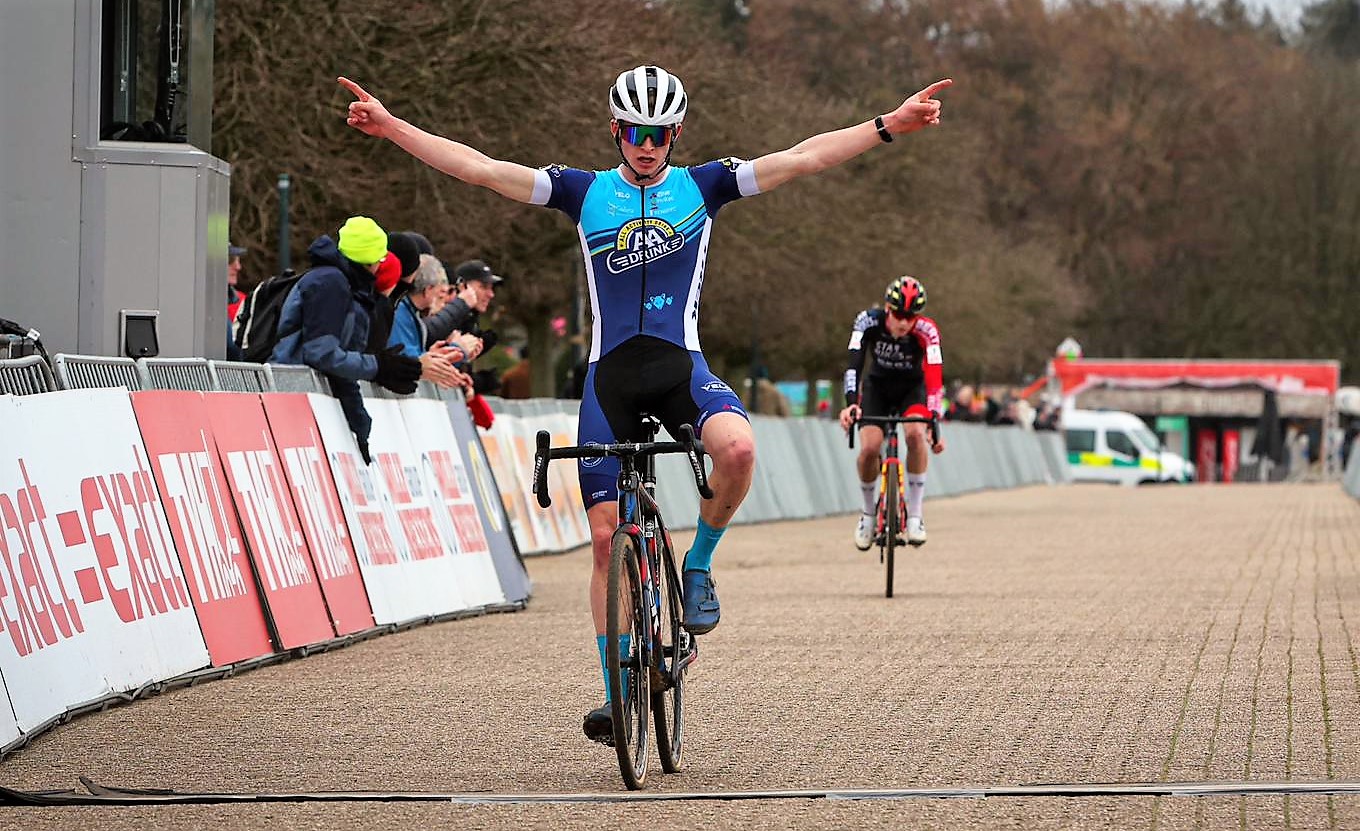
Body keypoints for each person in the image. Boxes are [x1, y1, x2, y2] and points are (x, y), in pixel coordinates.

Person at [339, 65, 950, 743]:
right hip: (609, 380)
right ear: (615, 130)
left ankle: (697, 565)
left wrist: (888, 124)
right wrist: (392, 126)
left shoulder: (704, 185)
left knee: (740, 449)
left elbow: (803, 158)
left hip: (678, 368)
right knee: (606, 538)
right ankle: (614, 693)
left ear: (676, 133)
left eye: (659, 133)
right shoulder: (583, 191)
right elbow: (482, 169)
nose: (647, 143)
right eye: (634, 131)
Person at [269, 215, 425, 463]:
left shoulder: (348, 285)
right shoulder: (331, 284)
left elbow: (339, 358)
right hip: (291, 396)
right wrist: (377, 366)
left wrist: (359, 423)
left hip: (304, 399)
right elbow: (322, 353)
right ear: (371, 259)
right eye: (381, 258)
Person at [838, 276, 946, 549]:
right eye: (898, 314)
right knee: (870, 448)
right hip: (878, 389)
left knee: (914, 434)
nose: (903, 322)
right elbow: (853, 365)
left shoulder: (927, 330)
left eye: (910, 316)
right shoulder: (867, 322)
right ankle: (868, 513)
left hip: (912, 390)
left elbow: (935, 377)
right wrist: (851, 403)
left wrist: (934, 417)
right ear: (887, 308)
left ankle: (916, 515)